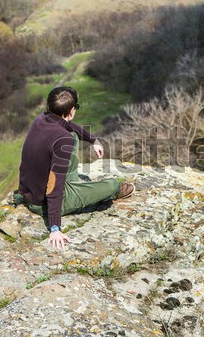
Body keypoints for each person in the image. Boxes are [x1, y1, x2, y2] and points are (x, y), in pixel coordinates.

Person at [17, 86, 134, 249]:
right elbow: (54, 185)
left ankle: (74, 186)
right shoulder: (63, 140)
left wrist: (93, 140)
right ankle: (96, 190)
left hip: (30, 190)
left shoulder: (41, 118)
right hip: (43, 202)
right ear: (71, 111)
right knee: (113, 185)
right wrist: (55, 227)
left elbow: (69, 126)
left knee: (72, 134)